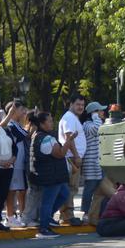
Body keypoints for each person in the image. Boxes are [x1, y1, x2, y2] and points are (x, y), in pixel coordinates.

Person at [28, 111, 77, 239]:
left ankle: (48, 217)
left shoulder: (39, 135)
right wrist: (69, 140)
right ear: (42, 124)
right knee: (48, 202)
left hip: (54, 175)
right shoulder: (46, 139)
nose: (52, 123)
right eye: (49, 121)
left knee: (64, 194)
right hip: (51, 175)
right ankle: (44, 228)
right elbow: (60, 153)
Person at [57, 94, 86, 225]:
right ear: (71, 105)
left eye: (82, 105)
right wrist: (76, 156)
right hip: (71, 158)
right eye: (78, 104)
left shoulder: (72, 118)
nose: (80, 107)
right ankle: (68, 216)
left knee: (71, 188)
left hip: (72, 157)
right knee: (71, 187)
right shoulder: (69, 118)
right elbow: (69, 138)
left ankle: (67, 215)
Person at [4, 100, 31, 226]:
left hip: (20, 163)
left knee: (21, 189)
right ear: (13, 110)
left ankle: (21, 215)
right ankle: (10, 217)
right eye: (21, 110)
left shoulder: (17, 124)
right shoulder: (10, 125)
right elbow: (26, 135)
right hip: (14, 163)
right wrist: (31, 123)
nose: (24, 112)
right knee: (12, 190)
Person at [80, 101, 106, 222]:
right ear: (93, 113)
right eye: (99, 110)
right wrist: (96, 117)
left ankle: (96, 212)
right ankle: (85, 213)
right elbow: (97, 130)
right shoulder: (87, 125)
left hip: (98, 163)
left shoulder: (96, 123)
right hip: (91, 163)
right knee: (89, 188)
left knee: (99, 190)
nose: (103, 112)